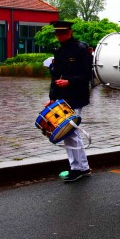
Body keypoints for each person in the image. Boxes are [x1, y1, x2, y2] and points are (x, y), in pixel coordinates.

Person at [47, 20, 93, 182]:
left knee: (71, 132)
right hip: (62, 97)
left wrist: (70, 82)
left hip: (77, 95)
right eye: (57, 33)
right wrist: (52, 98)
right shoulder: (59, 51)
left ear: (70, 32)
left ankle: (79, 167)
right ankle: (80, 167)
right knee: (68, 133)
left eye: (62, 33)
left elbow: (87, 75)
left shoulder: (81, 50)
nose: (59, 36)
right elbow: (55, 77)